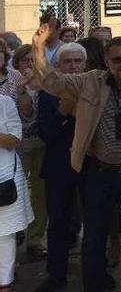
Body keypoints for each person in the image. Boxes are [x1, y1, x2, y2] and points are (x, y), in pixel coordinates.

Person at [32, 24, 121, 292]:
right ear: (107, 61)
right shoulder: (91, 82)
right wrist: (39, 48)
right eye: (118, 59)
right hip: (101, 172)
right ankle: (95, 285)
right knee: (94, 237)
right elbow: (51, 81)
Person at [33, 43, 86, 292]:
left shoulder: (94, 88)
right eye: (68, 62)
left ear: (85, 64)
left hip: (92, 167)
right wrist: (64, 113)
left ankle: (95, 270)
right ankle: (56, 275)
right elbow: (45, 132)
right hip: (59, 168)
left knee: (95, 223)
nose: (73, 66)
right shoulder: (48, 92)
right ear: (58, 66)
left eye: (78, 61)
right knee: (58, 223)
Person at [11, 45, 47, 260]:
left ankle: (35, 239)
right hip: (18, 145)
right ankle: (14, 233)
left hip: (42, 143)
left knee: (40, 195)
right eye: (26, 60)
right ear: (17, 63)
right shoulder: (12, 82)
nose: (30, 65)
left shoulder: (47, 81)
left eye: (34, 60)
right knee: (16, 192)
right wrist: (23, 90)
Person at [0, 94, 34, 292]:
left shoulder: (5, 102)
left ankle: (5, 285)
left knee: (4, 236)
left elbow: (14, 139)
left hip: (4, 179)